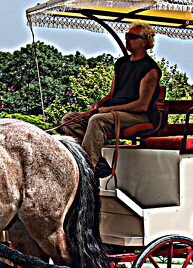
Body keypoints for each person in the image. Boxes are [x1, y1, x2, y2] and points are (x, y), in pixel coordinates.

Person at [60, 23, 161, 177]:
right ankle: (97, 161)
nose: (127, 39)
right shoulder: (121, 63)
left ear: (144, 42)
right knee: (70, 120)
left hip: (137, 115)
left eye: (132, 37)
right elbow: (111, 95)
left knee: (97, 120)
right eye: (127, 35)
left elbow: (142, 105)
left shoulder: (150, 69)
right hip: (114, 112)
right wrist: (99, 104)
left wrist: (108, 110)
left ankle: (87, 170)